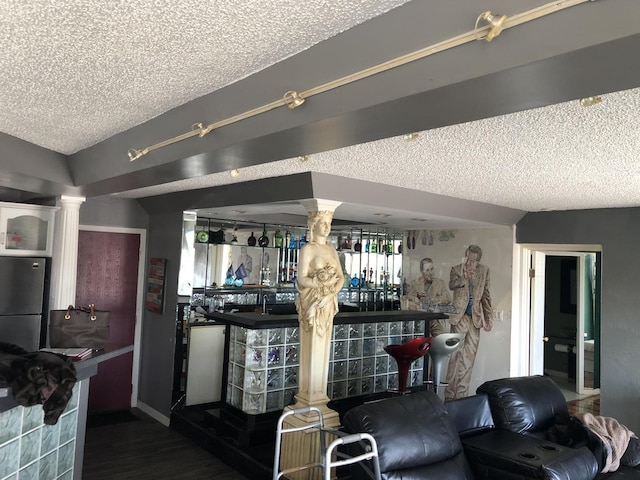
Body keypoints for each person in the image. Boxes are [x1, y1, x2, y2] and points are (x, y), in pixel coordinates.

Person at [445, 244, 493, 400]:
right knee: (454, 357)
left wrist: (488, 319)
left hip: (475, 320)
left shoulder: (484, 271)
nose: (469, 262)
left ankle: (462, 396)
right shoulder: (456, 269)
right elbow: (452, 285)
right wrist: (464, 278)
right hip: (459, 318)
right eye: (468, 258)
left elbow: (486, 296)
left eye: (473, 260)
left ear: (478, 261)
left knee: (468, 359)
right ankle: (449, 396)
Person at [295, 211, 345, 336]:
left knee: (325, 335)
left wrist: (330, 294)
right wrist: (322, 283)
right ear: (313, 225)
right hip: (313, 298)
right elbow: (301, 279)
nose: (327, 227)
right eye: (323, 223)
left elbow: (341, 277)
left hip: (328, 300)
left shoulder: (332, 250)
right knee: (313, 333)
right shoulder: (307, 249)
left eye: (329, 223)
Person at [406, 257, 451, 336]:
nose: (431, 273)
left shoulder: (440, 283)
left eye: (432, 269)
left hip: (436, 319)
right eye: (427, 270)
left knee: (441, 339)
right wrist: (417, 297)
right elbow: (408, 299)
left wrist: (434, 300)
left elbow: (447, 298)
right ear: (422, 272)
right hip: (419, 319)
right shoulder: (415, 283)